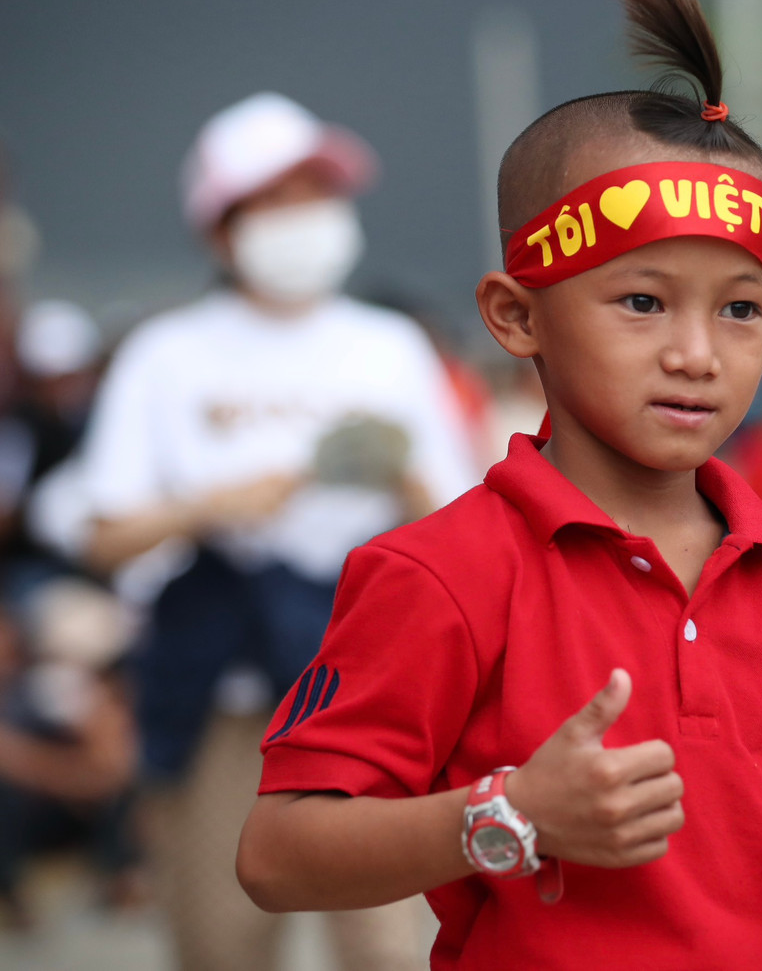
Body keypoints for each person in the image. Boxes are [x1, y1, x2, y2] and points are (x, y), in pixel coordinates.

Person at [237, 0, 762, 968]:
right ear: (517, 315)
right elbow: (277, 855)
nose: (697, 353)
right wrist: (508, 815)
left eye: (739, 309)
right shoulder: (441, 574)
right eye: (643, 302)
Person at [78, 92, 478, 970]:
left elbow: (461, 520)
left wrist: (403, 475)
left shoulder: (389, 348)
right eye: (277, 201)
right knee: (223, 940)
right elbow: (102, 537)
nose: (306, 221)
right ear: (221, 228)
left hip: (370, 677)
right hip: (220, 689)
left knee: (386, 940)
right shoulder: (167, 354)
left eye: (318, 195)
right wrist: (211, 506)